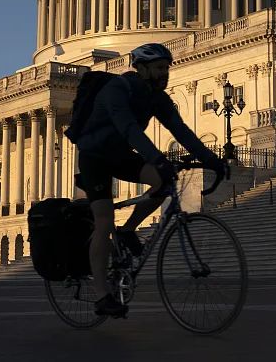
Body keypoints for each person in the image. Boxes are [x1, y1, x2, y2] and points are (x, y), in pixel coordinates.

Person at [73, 42, 225, 317]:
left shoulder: (157, 97)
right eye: (159, 68)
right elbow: (129, 128)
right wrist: (157, 158)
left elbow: (182, 132)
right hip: (94, 155)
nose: (164, 74)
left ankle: (129, 229)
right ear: (141, 68)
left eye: (166, 68)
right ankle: (101, 295)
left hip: (120, 154)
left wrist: (213, 160)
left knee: (163, 183)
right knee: (104, 219)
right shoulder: (116, 89)